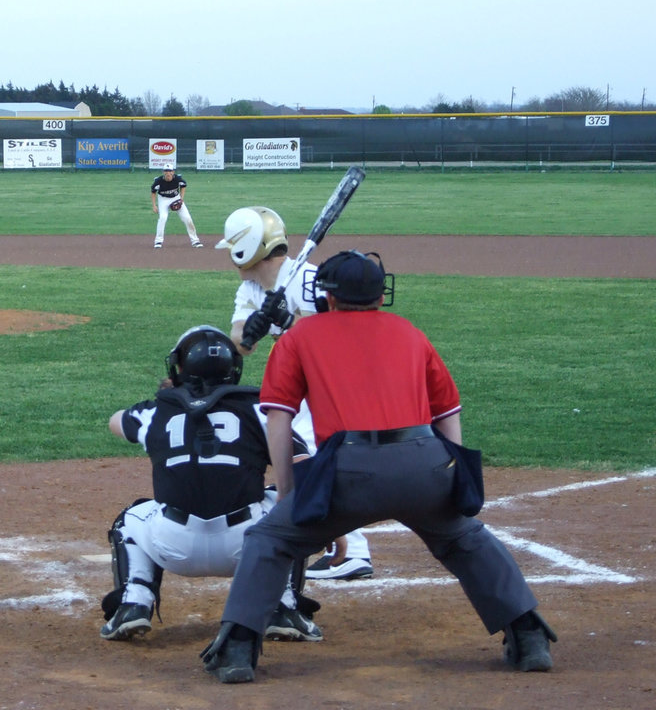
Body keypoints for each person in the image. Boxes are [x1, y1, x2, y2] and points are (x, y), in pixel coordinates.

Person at [199, 250, 557, 683]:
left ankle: (238, 649)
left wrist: (289, 492)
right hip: (425, 463)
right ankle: (529, 635)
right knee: (464, 538)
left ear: (327, 296)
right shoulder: (409, 332)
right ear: (378, 293)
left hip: (347, 471)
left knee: (271, 539)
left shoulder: (299, 337)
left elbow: (279, 420)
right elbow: (448, 412)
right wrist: (452, 475)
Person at [99, 325, 321, 645]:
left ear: (178, 370)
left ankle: (134, 602)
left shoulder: (156, 412)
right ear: (233, 370)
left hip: (172, 546)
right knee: (288, 506)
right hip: (246, 547)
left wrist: (172, 397)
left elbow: (115, 421)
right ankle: (282, 608)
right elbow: (303, 467)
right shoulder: (260, 411)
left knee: (132, 517)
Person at [216, 206, 374, 580]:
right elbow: (240, 342)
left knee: (313, 458)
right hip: (298, 386)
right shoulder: (251, 287)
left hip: (332, 382)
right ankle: (336, 541)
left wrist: (287, 320)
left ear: (249, 249)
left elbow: (338, 329)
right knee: (305, 455)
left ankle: (351, 551)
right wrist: (254, 327)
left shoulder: (310, 279)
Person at [150, 165, 203, 249]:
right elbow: (153, 192)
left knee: (187, 218)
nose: (168, 173)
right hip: (163, 200)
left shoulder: (177, 179)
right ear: (163, 172)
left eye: (170, 171)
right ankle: (158, 241)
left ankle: (195, 240)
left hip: (175, 198)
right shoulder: (158, 181)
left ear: (173, 172)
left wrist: (181, 199)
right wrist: (154, 205)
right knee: (163, 218)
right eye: (166, 171)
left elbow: (183, 186)